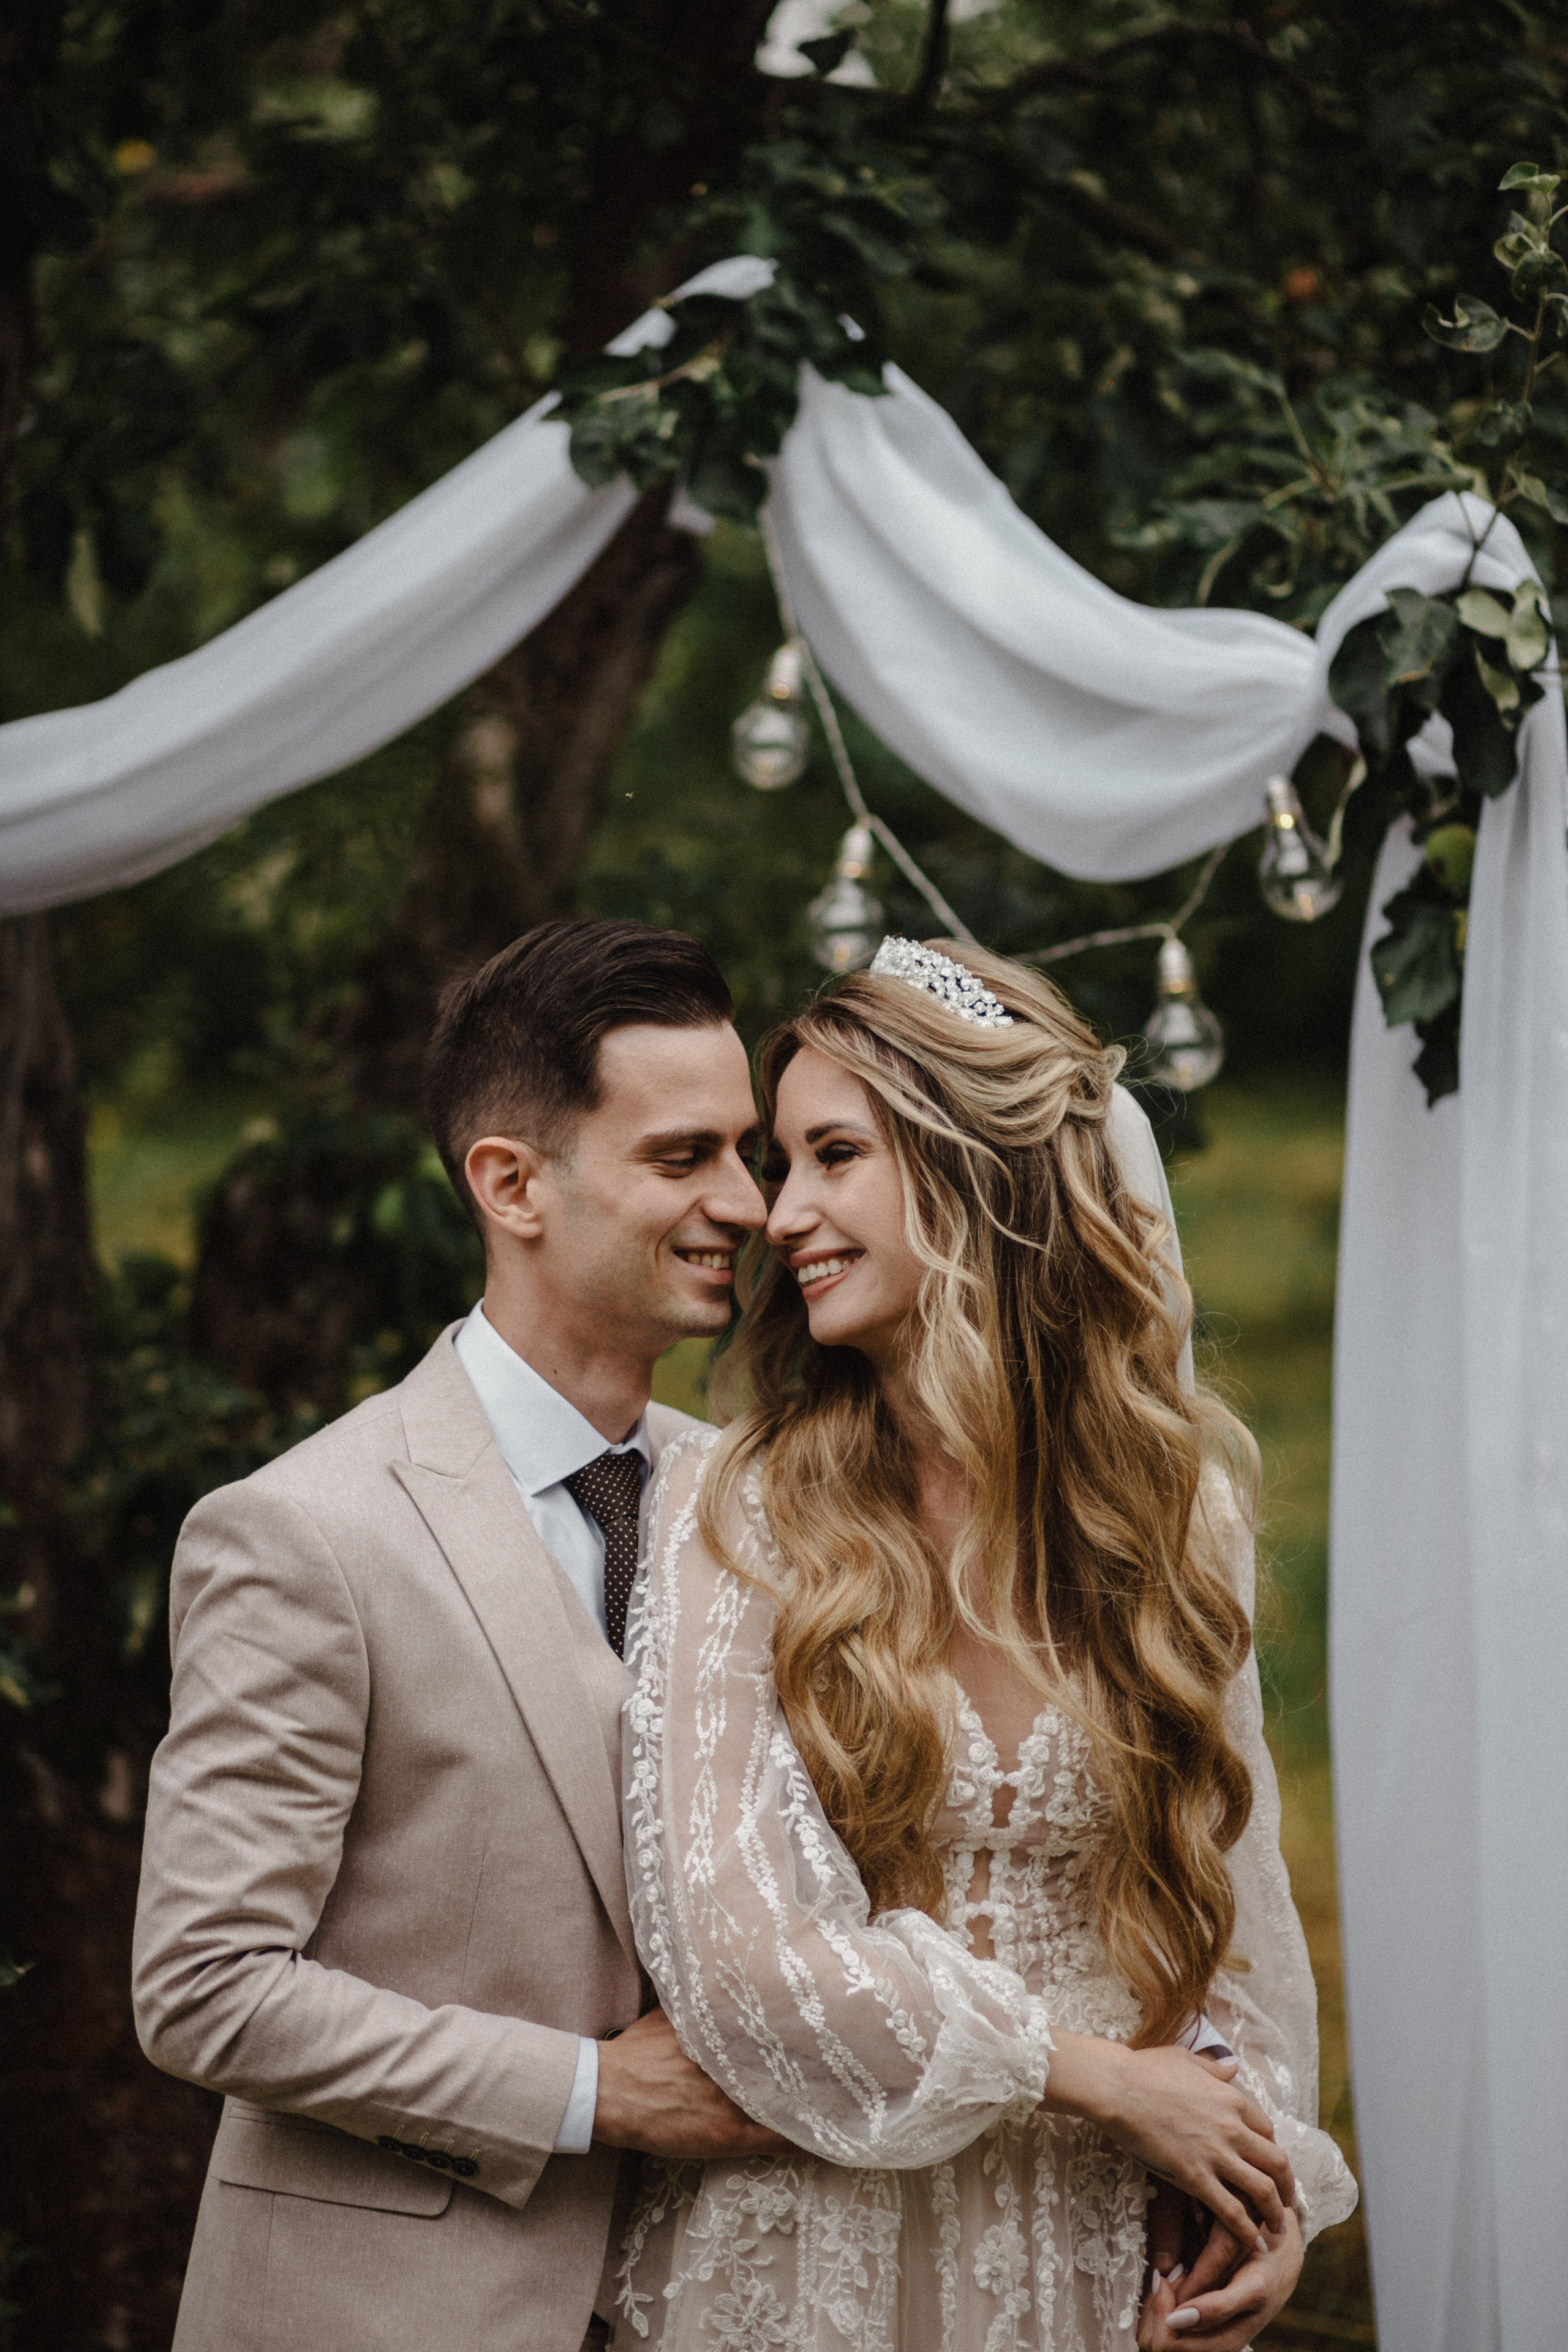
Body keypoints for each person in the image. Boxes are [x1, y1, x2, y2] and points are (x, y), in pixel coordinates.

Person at [616, 938, 1357, 2352]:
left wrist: (1251, 2201)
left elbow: (1233, 1923)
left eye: (835, 1155)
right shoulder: (741, 1507)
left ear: (973, 1171)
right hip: (819, 2236)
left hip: (1085, 2263)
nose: (783, 1214)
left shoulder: (1169, 1512)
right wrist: (1087, 2077)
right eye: (787, 1162)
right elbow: (737, 1958)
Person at [132, 919, 786, 2352]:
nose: (749, 1203)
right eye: (685, 1158)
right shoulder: (306, 1533)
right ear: (511, 1184)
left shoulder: (752, 1504)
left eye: (749, 1153)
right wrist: (592, 2093)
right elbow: (204, 1989)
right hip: (382, 2313)